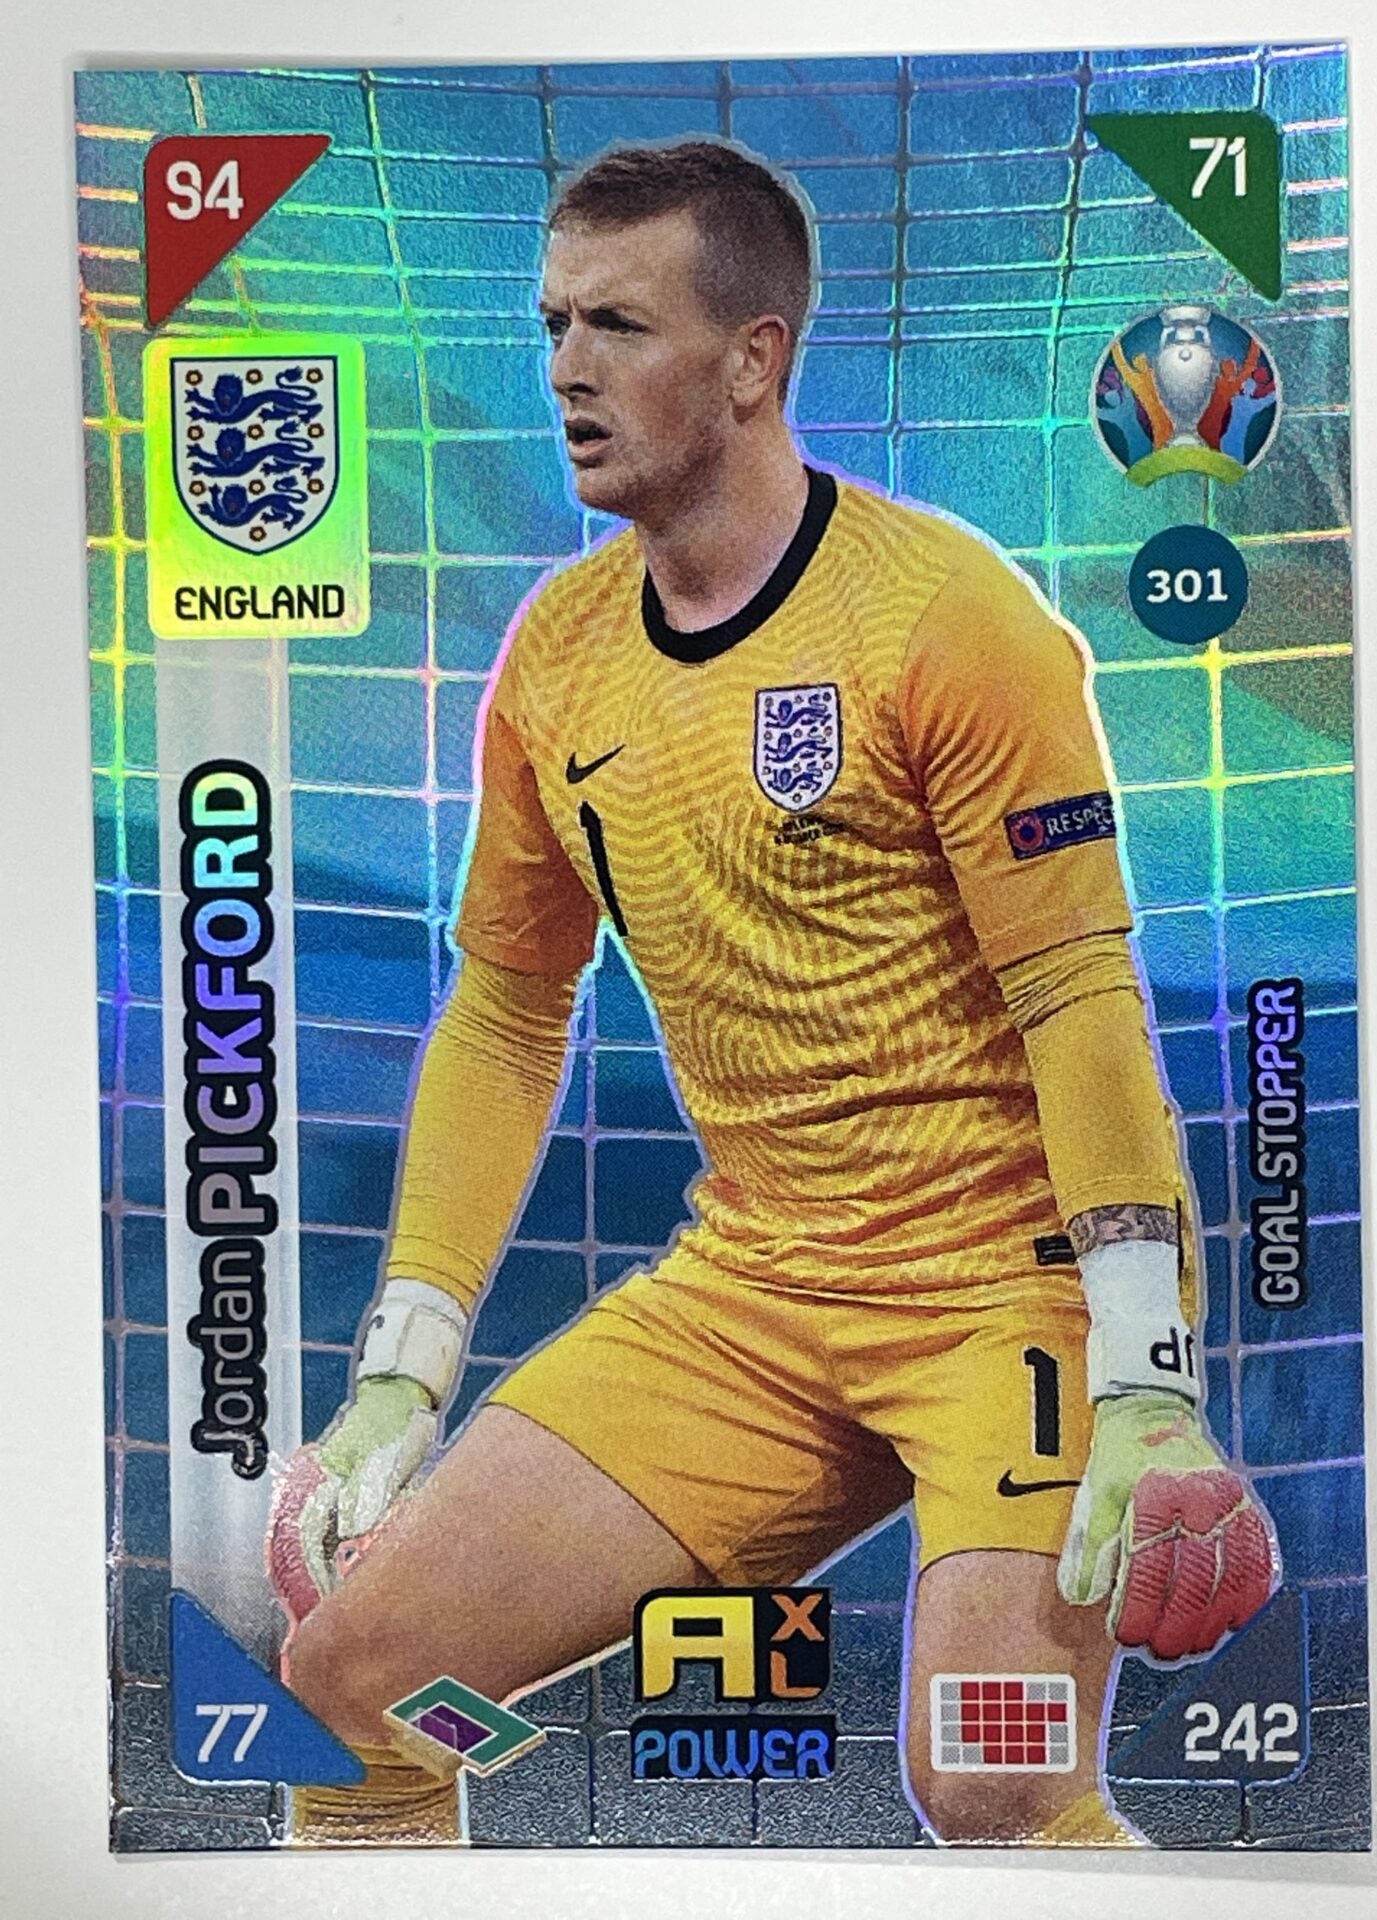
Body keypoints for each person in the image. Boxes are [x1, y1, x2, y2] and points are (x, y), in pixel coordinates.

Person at [277, 139, 1277, 1847]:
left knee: (994, 1776)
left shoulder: (950, 620)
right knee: (353, 1696)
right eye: (553, 325)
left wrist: (1148, 1382)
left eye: (618, 326)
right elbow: (509, 1015)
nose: (568, 370)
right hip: (759, 1292)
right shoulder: (556, 657)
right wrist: (400, 1376)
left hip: (1007, 1293)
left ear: (755, 359)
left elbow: (1079, 1002)